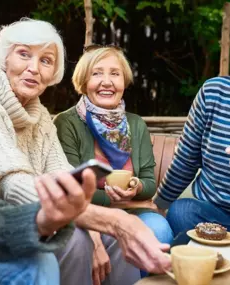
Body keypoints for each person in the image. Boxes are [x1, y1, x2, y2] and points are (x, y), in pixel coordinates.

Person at [0, 18, 171, 285]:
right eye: (24, 54)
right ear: (4, 59)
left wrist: (107, 221)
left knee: (117, 236)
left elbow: (66, 175)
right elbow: (13, 186)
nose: (34, 68)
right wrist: (110, 218)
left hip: (42, 219)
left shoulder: (41, 118)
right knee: (78, 241)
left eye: (46, 60)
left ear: (53, 72)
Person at [54, 45, 173, 280]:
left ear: (124, 81)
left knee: (159, 230)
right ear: (83, 80)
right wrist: (116, 203)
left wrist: (137, 188)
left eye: (114, 74)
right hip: (86, 216)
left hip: (135, 210)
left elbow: (149, 181)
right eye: (97, 73)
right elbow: (72, 188)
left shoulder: (136, 124)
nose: (106, 82)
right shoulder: (67, 123)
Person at [153, 12, 230, 238]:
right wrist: (157, 205)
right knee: (180, 211)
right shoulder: (214, 92)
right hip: (211, 214)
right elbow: (186, 160)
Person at [0, 169, 96, 285]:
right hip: (20, 210)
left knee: (45, 261)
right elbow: (14, 186)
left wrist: (39, 221)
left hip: (7, 219)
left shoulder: (49, 150)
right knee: (75, 240)